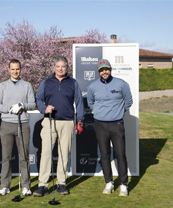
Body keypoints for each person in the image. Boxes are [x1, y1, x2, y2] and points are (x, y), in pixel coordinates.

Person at [33, 56, 85, 197]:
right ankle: (42, 185)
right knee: (46, 154)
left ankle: (61, 184)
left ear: (67, 67)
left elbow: (79, 102)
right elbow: (38, 99)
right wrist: (44, 108)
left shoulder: (73, 83)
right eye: (58, 66)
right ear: (54, 67)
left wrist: (80, 120)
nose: (60, 69)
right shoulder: (46, 82)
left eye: (63, 66)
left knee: (63, 154)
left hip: (67, 122)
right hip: (49, 121)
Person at [87, 59, 133, 197]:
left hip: (117, 124)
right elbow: (90, 102)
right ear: (98, 72)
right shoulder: (93, 86)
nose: (104, 72)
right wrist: (101, 112)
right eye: (101, 70)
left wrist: (117, 112)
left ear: (111, 69)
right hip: (100, 125)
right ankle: (109, 182)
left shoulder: (121, 84)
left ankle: (123, 185)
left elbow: (128, 101)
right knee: (105, 155)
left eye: (106, 69)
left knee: (120, 155)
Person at [0, 59, 36, 196]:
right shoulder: (3, 85)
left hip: (22, 124)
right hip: (6, 124)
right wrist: (10, 109)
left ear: (20, 69)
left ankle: (26, 186)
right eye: (12, 69)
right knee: (6, 157)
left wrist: (22, 105)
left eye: (17, 69)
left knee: (23, 156)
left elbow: (32, 104)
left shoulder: (27, 85)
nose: (15, 71)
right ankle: (5, 186)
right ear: (8, 70)